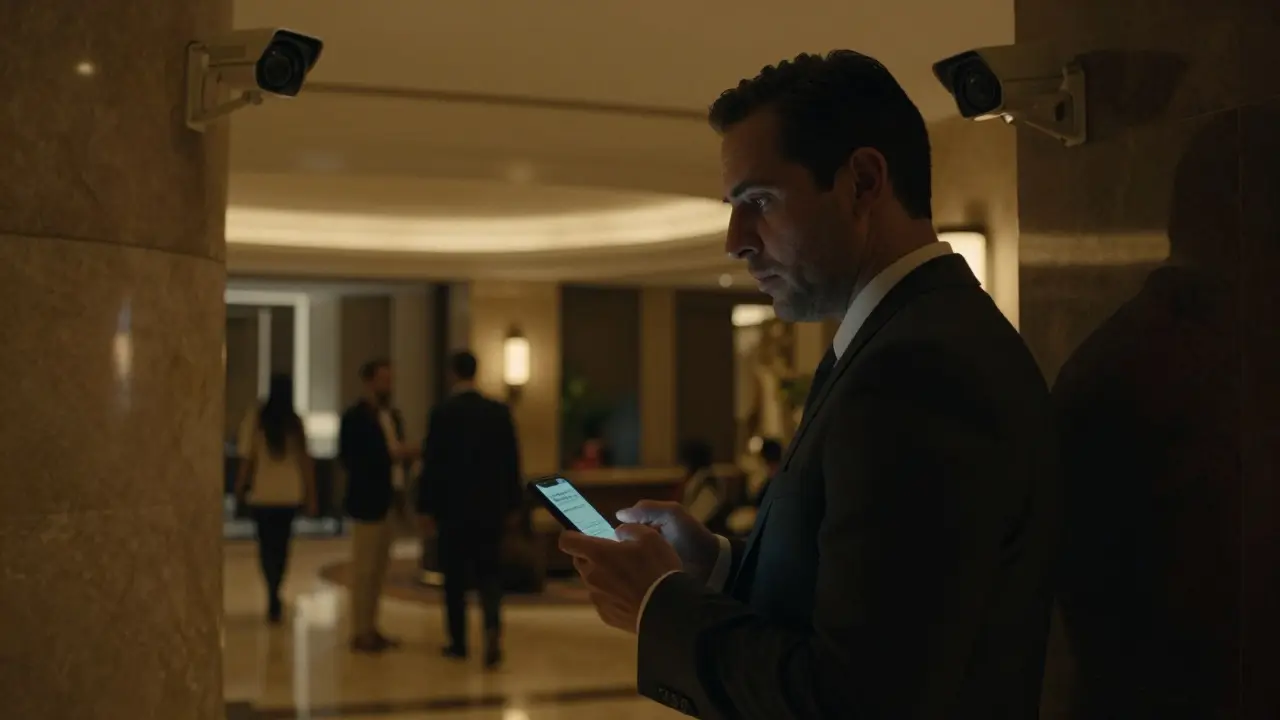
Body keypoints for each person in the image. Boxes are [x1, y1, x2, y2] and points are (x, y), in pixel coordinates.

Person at [558, 51, 1061, 719]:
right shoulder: (894, 344)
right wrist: (713, 566)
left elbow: (855, 699)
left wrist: (660, 606)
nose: (736, 241)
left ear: (862, 181)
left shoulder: (918, 374)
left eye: (758, 202)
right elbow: (862, 603)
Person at [417, 351, 523, 668]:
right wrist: (513, 505)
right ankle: (492, 628)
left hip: (453, 510)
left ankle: (458, 642)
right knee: (490, 574)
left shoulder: (442, 414)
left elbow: (432, 464)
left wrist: (426, 507)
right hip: (490, 508)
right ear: (476, 373)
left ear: (452, 373)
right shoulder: (497, 412)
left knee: (455, 579)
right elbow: (511, 462)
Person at [338, 359, 417, 653]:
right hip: (366, 500)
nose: (388, 386)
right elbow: (351, 457)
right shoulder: (355, 417)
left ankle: (372, 626)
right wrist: (391, 455)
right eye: (383, 380)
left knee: (380, 568)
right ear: (369, 381)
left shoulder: (392, 416)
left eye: (390, 380)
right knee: (364, 569)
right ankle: (360, 630)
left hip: (388, 499)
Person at [234, 373, 317, 624]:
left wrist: (239, 488)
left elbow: (247, 458)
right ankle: (276, 588)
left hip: (263, 495)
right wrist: (311, 494)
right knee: (282, 547)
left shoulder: (257, 421)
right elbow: (305, 463)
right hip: (288, 495)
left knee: (265, 547)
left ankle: (271, 589)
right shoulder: (295, 423)